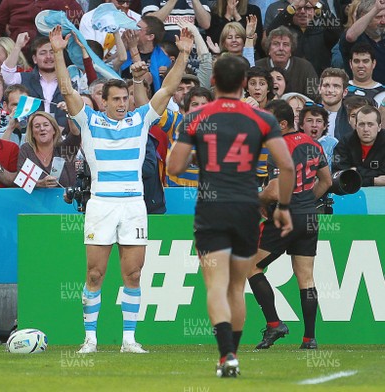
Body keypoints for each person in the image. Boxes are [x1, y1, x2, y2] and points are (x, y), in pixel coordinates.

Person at [51, 24, 195, 354]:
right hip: (101, 204)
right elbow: (66, 89)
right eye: (115, 99)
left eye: (125, 98)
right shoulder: (89, 121)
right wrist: (58, 52)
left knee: (133, 273)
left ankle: (129, 339)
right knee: (95, 272)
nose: (121, 103)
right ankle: (90, 338)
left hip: (134, 205)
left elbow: (167, 89)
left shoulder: (140, 120)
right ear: (102, 101)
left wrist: (184, 53)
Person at [167, 54, 295, 377]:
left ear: (212, 83)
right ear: (243, 84)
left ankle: (226, 355)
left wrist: (201, 154)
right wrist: (282, 207)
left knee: (216, 285)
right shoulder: (262, 119)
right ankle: (232, 355)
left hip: (211, 209)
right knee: (237, 287)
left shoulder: (196, 118)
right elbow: (288, 166)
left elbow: (174, 167)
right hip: (246, 209)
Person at [248, 99, 331, 350]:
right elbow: (326, 181)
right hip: (308, 217)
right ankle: (309, 339)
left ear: (282, 123)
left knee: (250, 267)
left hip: (285, 217)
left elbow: (273, 191)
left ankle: (274, 324)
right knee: (306, 277)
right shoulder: (314, 144)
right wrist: (304, 201)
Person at [17, 111, 81, 188]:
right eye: (37, 126)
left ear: (54, 130)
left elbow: (75, 132)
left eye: (46, 125)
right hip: (35, 199)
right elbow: (21, 180)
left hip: (64, 199)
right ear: (32, 133)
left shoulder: (65, 148)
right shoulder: (26, 149)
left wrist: (69, 112)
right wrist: (41, 183)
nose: (42, 128)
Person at [333, 104, 385, 186]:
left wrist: (356, 171)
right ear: (355, 126)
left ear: (379, 127)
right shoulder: (345, 142)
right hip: (351, 192)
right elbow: (339, 175)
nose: (366, 129)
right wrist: (374, 181)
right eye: (361, 124)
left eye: (370, 124)